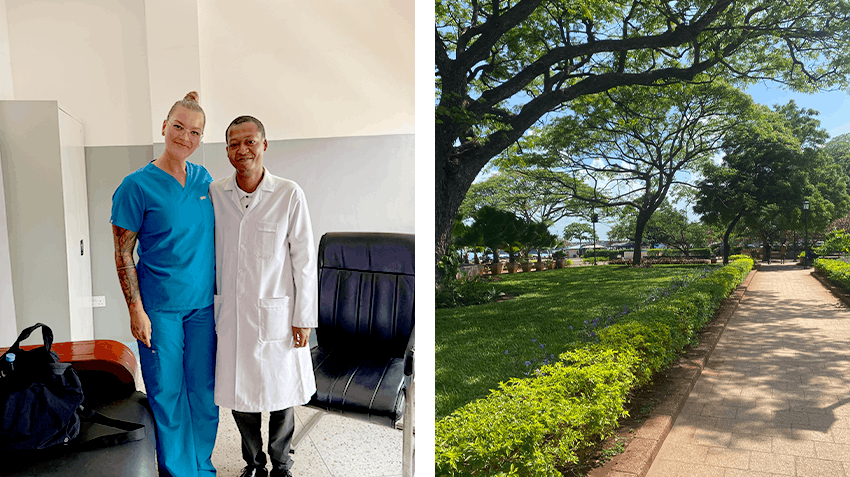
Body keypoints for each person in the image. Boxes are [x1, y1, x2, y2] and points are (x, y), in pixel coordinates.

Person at [111, 92, 218, 477]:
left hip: (203, 309)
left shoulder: (205, 180)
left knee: (204, 395)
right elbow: (124, 254)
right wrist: (135, 311)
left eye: (194, 131)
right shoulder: (135, 186)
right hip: (159, 310)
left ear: (201, 138)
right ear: (164, 126)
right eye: (178, 127)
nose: (185, 137)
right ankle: (178, 471)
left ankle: (202, 468)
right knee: (168, 394)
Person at [210, 116, 317, 477]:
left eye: (250, 142)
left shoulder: (289, 193)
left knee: (281, 393)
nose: (242, 150)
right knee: (242, 395)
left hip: (278, 312)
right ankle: (253, 464)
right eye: (234, 144)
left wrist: (303, 317)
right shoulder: (215, 194)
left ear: (264, 144)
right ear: (226, 150)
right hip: (233, 313)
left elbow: (304, 260)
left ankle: (282, 463)